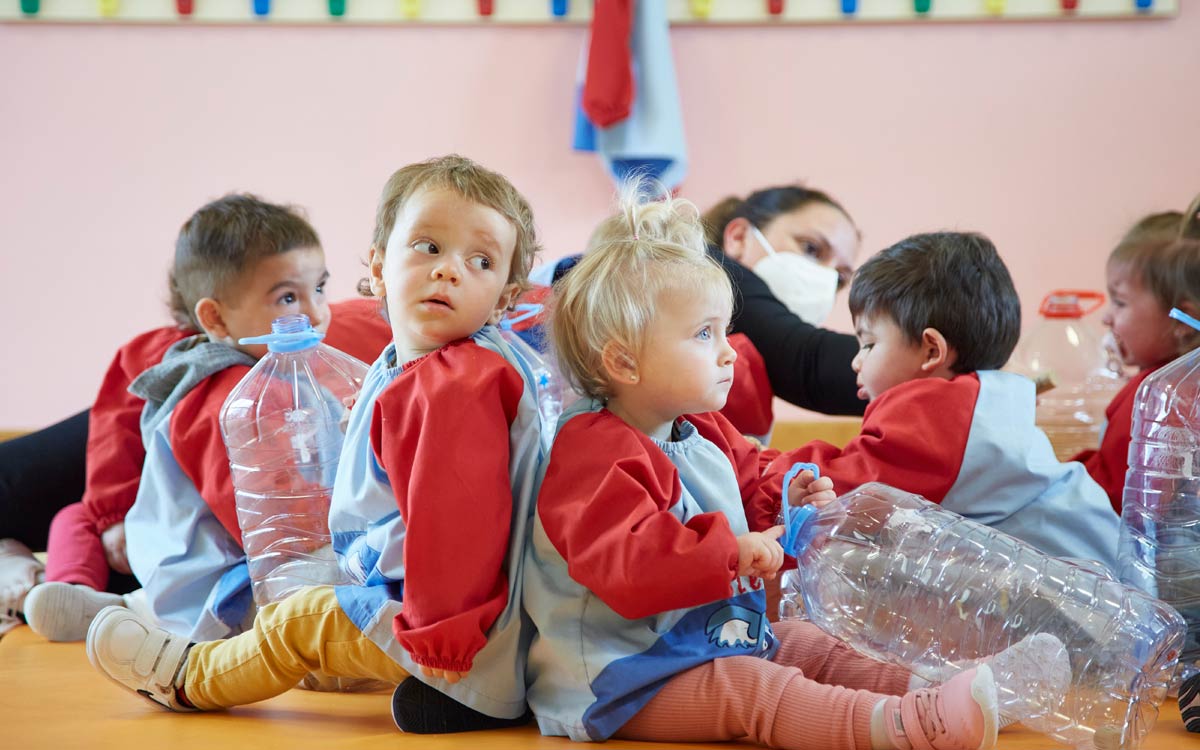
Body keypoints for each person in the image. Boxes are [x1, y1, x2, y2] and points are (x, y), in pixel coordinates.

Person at [522, 182, 1066, 750]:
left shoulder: (701, 428)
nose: (730, 351)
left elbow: (750, 483)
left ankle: (960, 694)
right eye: (705, 334)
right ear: (624, 361)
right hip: (621, 676)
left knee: (809, 643)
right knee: (757, 689)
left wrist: (789, 503)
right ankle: (897, 727)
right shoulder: (593, 451)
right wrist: (730, 552)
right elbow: (629, 565)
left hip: (700, 640)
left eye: (724, 330)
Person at [86, 155, 549, 734]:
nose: (448, 271)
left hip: (460, 633)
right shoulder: (415, 366)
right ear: (378, 269)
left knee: (298, 622)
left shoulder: (456, 385)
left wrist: (443, 647)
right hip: (432, 602)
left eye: (480, 261)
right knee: (310, 590)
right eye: (428, 247)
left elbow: (459, 525)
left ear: (504, 302)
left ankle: (187, 676)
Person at [18, 195, 390, 644]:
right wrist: (316, 560)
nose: (315, 313)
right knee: (318, 611)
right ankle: (100, 602)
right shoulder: (223, 391)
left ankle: (119, 611)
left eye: (320, 289)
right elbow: (250, 505)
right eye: (288, 298)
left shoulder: (291, 368)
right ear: (214, 317)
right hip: (215, 572)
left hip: (216, 563)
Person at [772, 231, 1121, 571]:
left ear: (931, 350)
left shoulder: (936, 413)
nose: (855, 361)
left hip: (1091, 601)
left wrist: (754, 465)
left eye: (869, 344)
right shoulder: (981, 402)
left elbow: (841, 494)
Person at [702, 185, 865, 440]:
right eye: (811, 249)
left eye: (840, 279)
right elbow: (807, 362)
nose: (827, 278)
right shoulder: (703, 265)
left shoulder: (750, 356)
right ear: (739, 237)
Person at [1071, 196, 1200, 512]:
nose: (1107, 317)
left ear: (1181, 320)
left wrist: (1058, 472)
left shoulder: (1154, 397)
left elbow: (1109, 497)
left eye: (1120, 302)